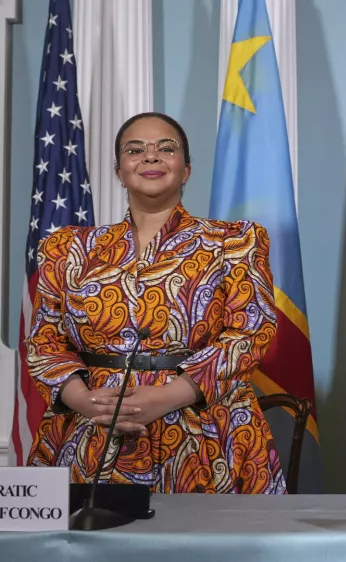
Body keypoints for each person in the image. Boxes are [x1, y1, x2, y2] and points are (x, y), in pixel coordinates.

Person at [26, 112, 285, 494]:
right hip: (89, 432)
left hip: (206, 434)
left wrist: (164, 398)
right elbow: (44, 342)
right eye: (135, 150)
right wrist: (86, 401)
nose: (150, 157)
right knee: (88, 552)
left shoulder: (235, 241)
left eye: (167, 148)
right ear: (119, 170)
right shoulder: (67, 248)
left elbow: (251, 334)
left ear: (187, 170)